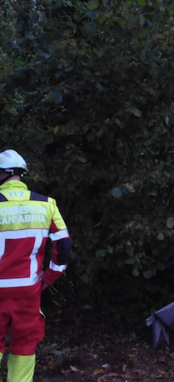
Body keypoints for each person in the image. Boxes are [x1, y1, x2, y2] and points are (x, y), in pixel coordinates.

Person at [0, 149, 72, 382]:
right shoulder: (46, 204)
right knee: (24, 347)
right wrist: (48, 279)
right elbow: (63, 247)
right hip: (29, 292)